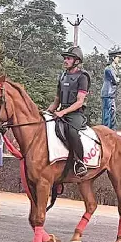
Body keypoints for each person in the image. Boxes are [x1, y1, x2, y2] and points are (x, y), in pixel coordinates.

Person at [47, 46, 90, 177]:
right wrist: (47, 111)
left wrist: (62, 112)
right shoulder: (62, 76)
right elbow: (57, 100)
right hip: (62, 112)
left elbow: (79, 102)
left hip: (76, 114)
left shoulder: (83, 77)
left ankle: (79, 162)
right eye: (65, 58)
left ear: (76, 61)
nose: (65, 60)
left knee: (71, 131)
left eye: (68, 58)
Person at [100, 50, 121, 130]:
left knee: (112, 114)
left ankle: (112, 131)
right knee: (107, 115)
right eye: (117, 58)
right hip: (107, 93)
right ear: (113, 58)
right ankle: (106, 131)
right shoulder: (109, 69)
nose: (118, 59)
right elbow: (115, 80)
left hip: (111, 94)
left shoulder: (113, 68)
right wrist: (117, 79)